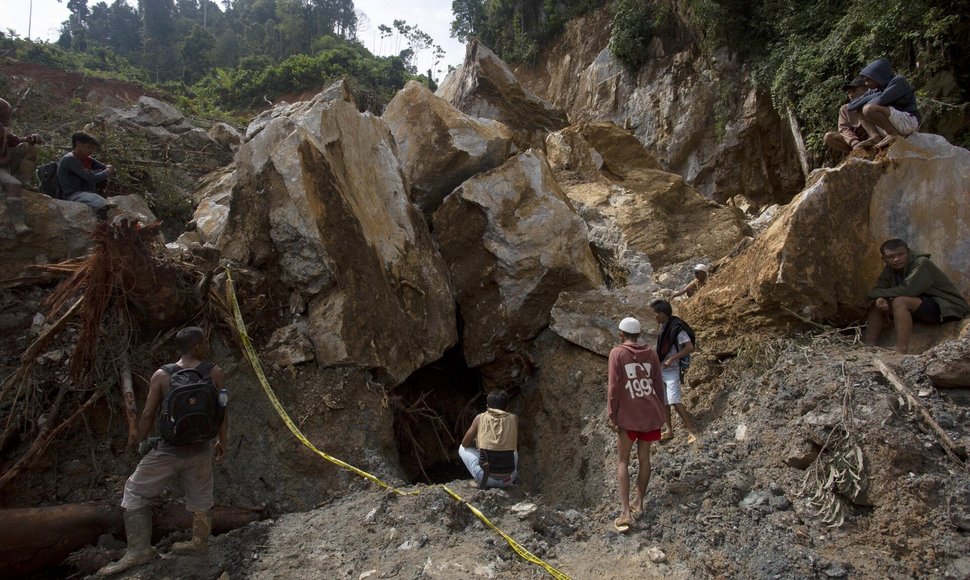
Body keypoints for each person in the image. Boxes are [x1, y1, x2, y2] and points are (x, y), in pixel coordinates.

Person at [99, 327, 228, 576]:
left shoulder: (161, 376)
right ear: (197, 347)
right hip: (201, 447)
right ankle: (199, 543)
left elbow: (148, 413)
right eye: (204, 342)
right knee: (201, 497)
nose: (206, 345)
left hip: (168, 449)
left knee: (135, 491)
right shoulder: (216, 373)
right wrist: (222, 441)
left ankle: (138, 551)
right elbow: (223, 410)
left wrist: (141, 441)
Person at [607, 317, 665, 532]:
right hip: (650, 413)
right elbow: (658, 384)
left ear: (621, 334)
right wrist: (660, 410)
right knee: (644, 458)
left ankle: (625, 512)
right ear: (639, 334)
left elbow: (613, 387)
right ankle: (639, 501)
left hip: (629, 416)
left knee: (622, 461)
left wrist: (612, 414)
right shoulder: (651, 353)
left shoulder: (617, 353)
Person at [864, 239, 970, 353]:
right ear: (884, 259)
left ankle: (901, 348)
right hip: (920, 306)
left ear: (908, 252)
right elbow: (881, 288)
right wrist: (880, 298)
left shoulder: (921, 263)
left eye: (900, 254)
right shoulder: (890, 269)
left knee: (900, 301)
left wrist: (873, 294)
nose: (896, 259)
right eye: (891, 256)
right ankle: (868, 345)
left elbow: (908, 290)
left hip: (946, 308)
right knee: (877, 305)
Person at [650, 300, 700, 444]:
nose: (654, 317)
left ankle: (692, 430)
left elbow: (690, 347)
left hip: (672, 370)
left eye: (655, 314)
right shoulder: (663, 327)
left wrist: (673, 358)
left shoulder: (677, 329)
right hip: (662, 369)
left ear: (662, 314)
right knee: (664, 401)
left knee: (674, 401)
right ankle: (669, 430)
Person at [847, 58, 920, 149]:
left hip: (908, 121)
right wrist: (878, 94)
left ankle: (893, 135)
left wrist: (877, 95)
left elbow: (879, 101)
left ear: (877, 76)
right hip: (893, 121)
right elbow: (851, 106)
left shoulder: (899, 81)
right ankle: (875, 137)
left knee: (868, 108)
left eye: (869, 80)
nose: (866, 84)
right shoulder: (878, 89)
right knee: (858, 110)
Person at [459, 389, 518, 489]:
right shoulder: (514, 418)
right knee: (514, 451)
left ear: (487, 406)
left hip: (484, 478)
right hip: (508, 479)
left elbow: (465, 443)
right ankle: (507, 483)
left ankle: (481, 483)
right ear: (507, 407)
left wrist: (479, 443)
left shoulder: (479, 418)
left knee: (461, 448)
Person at [0, 97, 43, 234]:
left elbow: (16, 140)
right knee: (13, 184)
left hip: (4, 165)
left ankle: (24, 179)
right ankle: (19, 224)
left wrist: (30, 138)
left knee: (26, 147)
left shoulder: (3, 130)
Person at [56, 132, 115, 219]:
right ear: (78, 144)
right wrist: (107, 172)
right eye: (89, 147)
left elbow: (102, 166)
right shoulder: (70, 159)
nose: (91, 150)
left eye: (93, 148)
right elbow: (91, 179)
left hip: (85, 192)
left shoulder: (84, 158)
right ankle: (101, 226)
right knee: (101, 204)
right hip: (73, 195)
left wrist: (108, 167)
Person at [823, 77, 870, 153]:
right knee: (829, 137)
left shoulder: (873, 102)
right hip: (856, 140)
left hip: (873, 135)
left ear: (865, 89)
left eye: (854, 91)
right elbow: (844, 129)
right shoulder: (845, 109)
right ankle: (856, 153)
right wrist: (854, 143)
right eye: (849, 92)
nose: (851, 95)